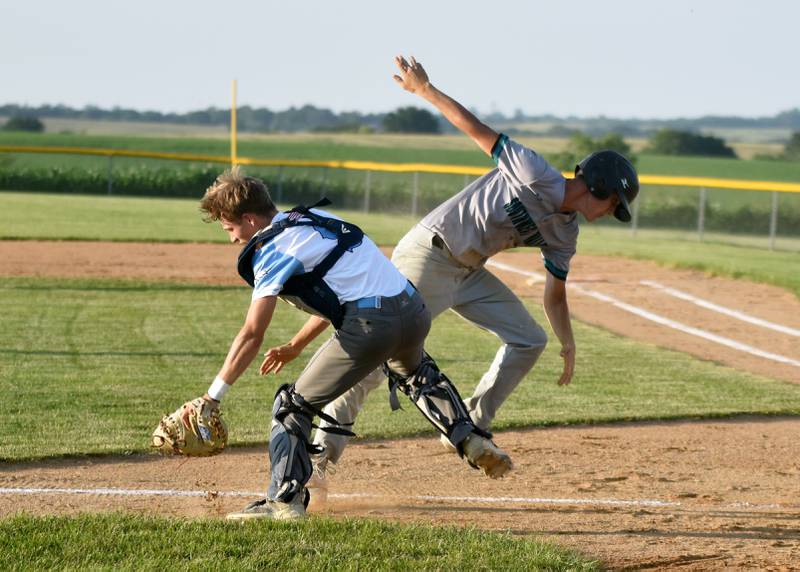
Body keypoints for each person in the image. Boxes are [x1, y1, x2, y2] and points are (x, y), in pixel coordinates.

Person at [265, 55, 639, 500]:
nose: (611, 213)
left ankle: (469, 426)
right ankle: (319, 463)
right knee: (372, 359)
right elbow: (475, 128)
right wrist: (424, 90)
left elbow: (554, 295)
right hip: (431, 253)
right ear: (597, 184)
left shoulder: (565, 232)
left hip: (468, 271)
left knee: (528, 339)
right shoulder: (534, 172)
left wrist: (568, 342)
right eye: (614, 201)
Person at [193, 166, 513, 522]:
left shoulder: (271, 249)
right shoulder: (316, 219)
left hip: (371, 324)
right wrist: (297, 344)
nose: (233, 239)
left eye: (231, 228)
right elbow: (344, 291)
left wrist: (212, 396)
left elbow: (252, 334)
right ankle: (470, 439)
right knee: (416, 372)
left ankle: (284, 503)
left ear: (250, 219)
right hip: (412, 309)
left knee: (291, 405)